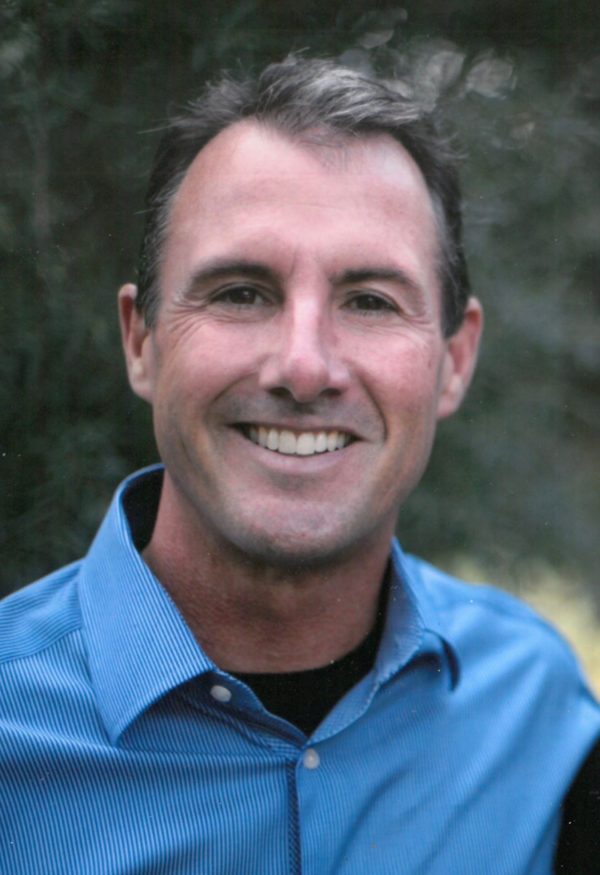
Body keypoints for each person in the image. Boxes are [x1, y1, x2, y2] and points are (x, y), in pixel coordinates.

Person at [1, 56, 598, 875]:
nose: (305, 366)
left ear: (455, 361)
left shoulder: (535, 713)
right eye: (241, 292)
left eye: (370, 301)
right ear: (141, 341)